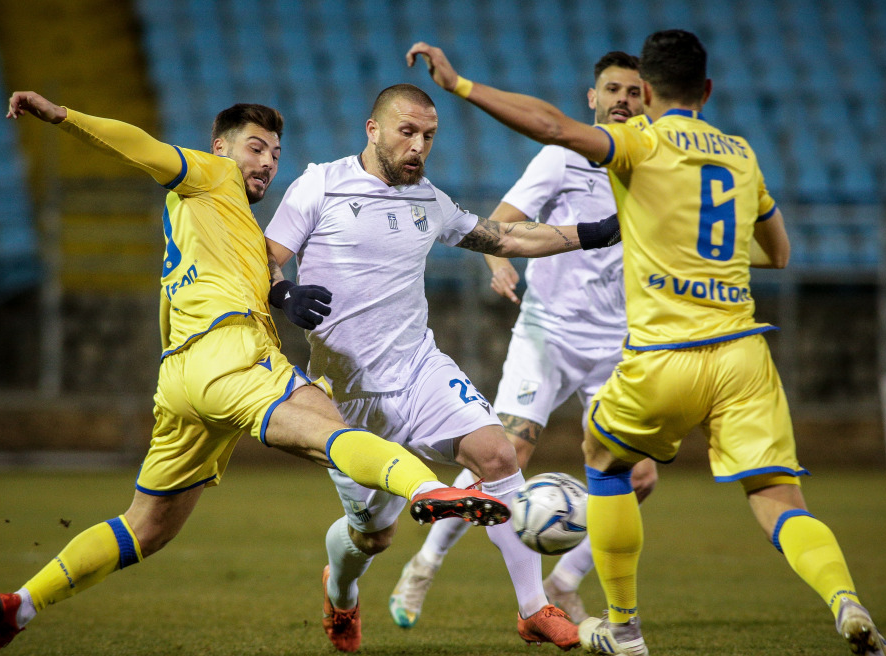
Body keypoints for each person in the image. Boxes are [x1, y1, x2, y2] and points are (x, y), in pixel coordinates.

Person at [0, 91, 512, 656]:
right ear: (220, 146)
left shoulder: (225, 222)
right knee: (336, 431)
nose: (266, 163)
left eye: (275, 153)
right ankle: (430, 489)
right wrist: (64, 116)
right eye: (255, 148)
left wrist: (284, 293)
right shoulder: (209, 175)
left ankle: (20, 605)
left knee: (146, 529)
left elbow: (240, 279)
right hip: (229, 356)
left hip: (181, 376)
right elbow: (143, 148)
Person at [406, 31, 886, 656]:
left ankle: (625, 627)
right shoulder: (741, 154)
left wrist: (462, 86)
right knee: (777, 496)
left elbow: (551, 125)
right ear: (708, 90)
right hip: (743, 353)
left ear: (650, 94)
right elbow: (779, 253)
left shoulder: (642, 139)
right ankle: (845, 601)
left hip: (660, 352)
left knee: (604, 462)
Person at [264, 83, 624, 652]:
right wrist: (284, 295)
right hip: (347, 395)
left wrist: (595, 233)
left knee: (498, 453)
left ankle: (534, 609)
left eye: (428, 136)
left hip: (419, 370)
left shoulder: (427, 200)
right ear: (373, 129)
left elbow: (504, 237)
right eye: (407, 132)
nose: (418, 146)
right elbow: (264, 256)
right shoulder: (320, 185)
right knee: (371, 538)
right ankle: (342, 591)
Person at [389, 51, 660, 628]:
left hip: (620, 343)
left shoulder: (657, 165)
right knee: (507, 454)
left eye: (634, 92)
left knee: (638, 478)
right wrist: (499, 263)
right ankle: (425, 564)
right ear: (592, 98)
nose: (622, 100)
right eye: (611, 89)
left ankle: (565, 578)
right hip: (551, 332)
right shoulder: (565, 156)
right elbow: (505, 220)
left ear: (649, 102)